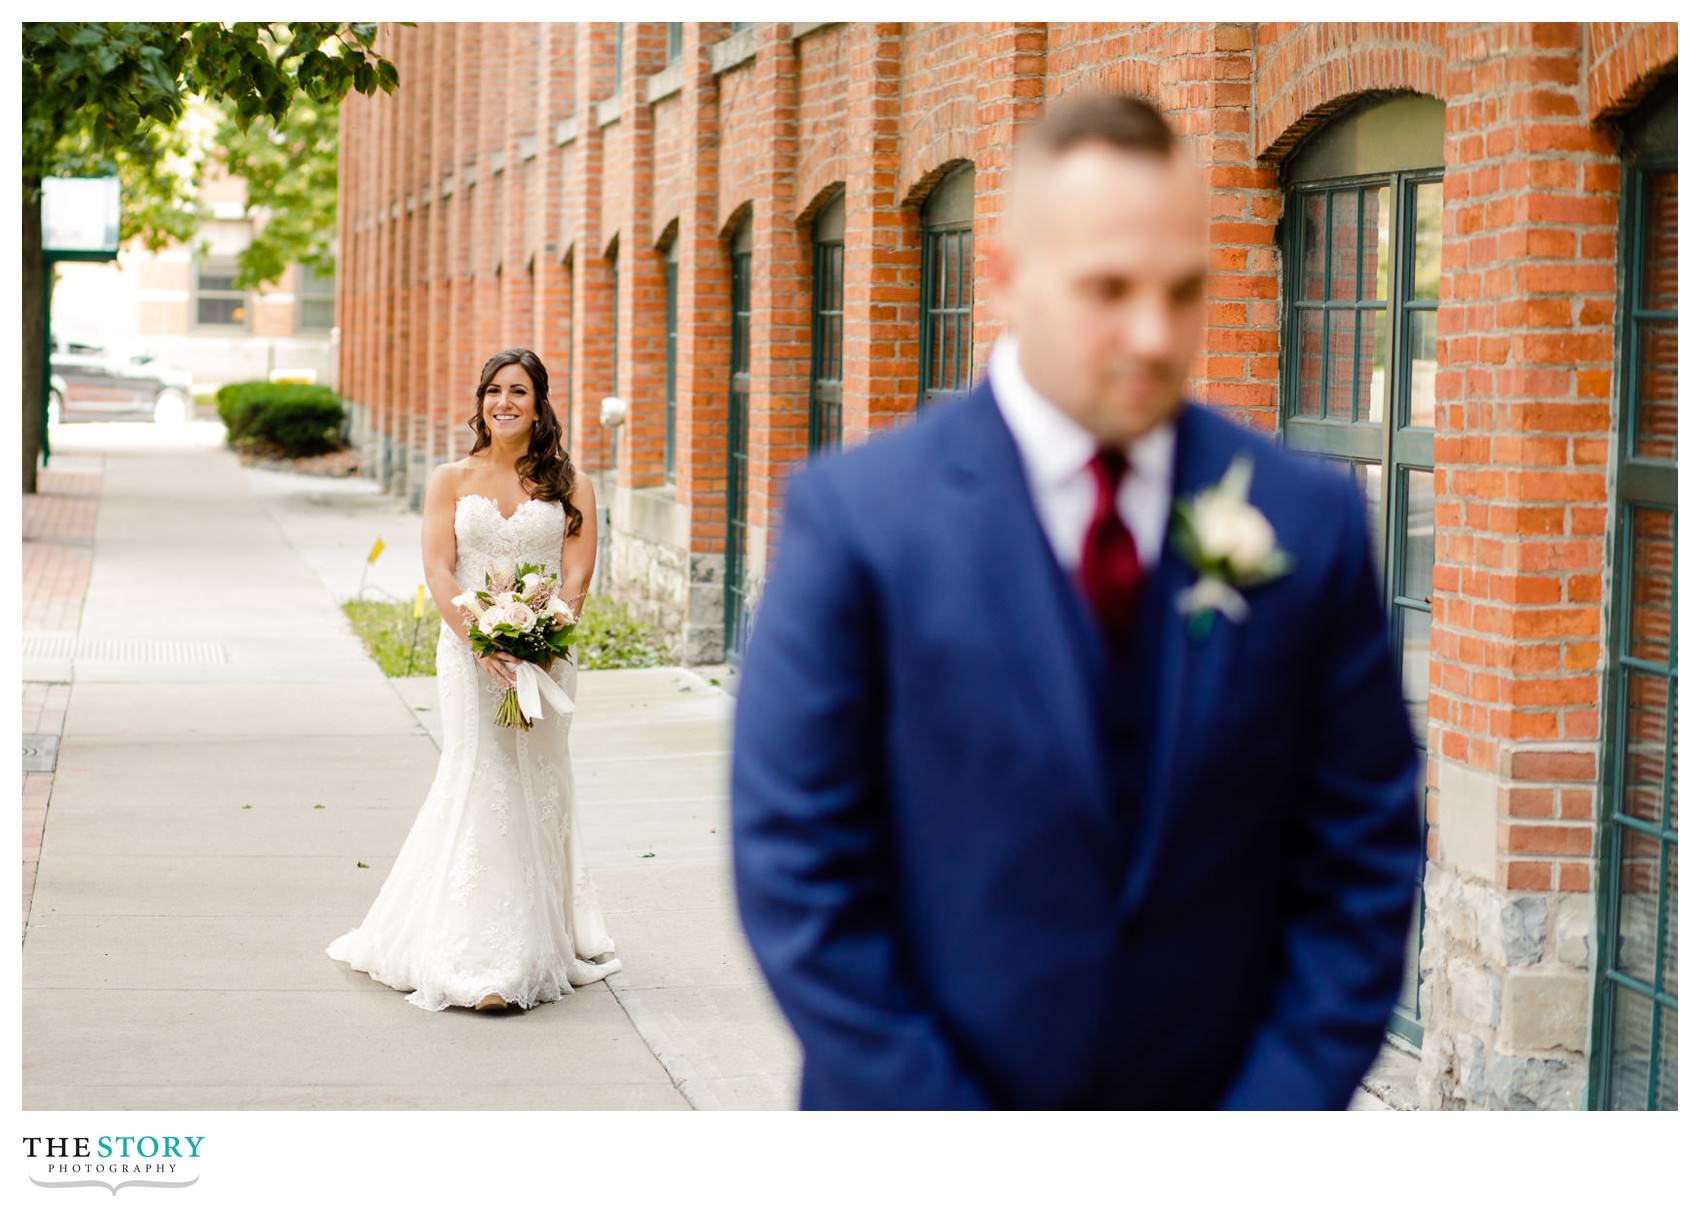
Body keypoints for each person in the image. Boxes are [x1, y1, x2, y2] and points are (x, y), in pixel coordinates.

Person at [729, 93, 1422, 1108]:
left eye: (1181, 290)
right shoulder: (858, 520)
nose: (1151, 334)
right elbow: (797, 870)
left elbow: (1360, 857)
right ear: (1004, 276)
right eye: (1107, 288)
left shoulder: (1306, 520)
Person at [327, 348, 621, 1012]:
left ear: (541, 403)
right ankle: (484, 958)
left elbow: (576, 576)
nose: (503, 402)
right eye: (493, 391)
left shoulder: (574, 485)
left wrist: (545, 637)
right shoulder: (449, 479)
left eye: (518, 390)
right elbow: (439, 570)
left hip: (547, 657)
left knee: (538, 781)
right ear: (480, 402)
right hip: (469, 653)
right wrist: (483, 640)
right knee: (481, 776)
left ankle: (545, 934)